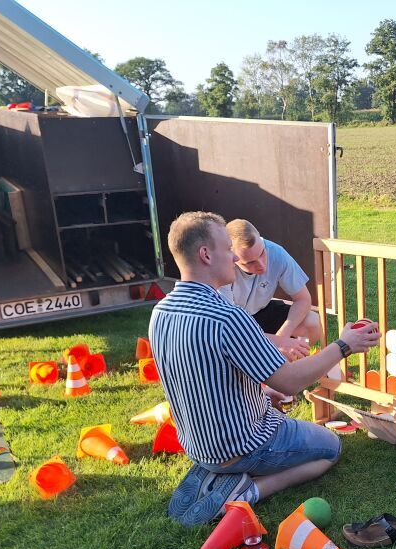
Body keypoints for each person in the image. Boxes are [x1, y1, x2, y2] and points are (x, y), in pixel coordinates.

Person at [149, 211, 381, 527]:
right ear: (205, 255)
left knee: (264, 428)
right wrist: (343, 345)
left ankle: (214, 472)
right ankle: (248, 491)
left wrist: (261, 393)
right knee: (331, 447)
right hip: (243, 444)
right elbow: (290, 382)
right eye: (226, 249)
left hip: (198, 445)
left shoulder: (161, 311)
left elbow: (206, 378)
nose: (234, 257)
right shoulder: (227, 317)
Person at [219, 219, 321, 362]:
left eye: (262, 253)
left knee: (312, 322)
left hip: (261, 311)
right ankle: (264, 367)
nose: (261, 265)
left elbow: (303, 299)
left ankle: (289, 365)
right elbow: (231, 328)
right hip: (235, 324)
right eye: (250, 262)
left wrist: (283, 335)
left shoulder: (276, 252)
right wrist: (278, 342)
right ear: (232, 258)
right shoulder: (222, 269)